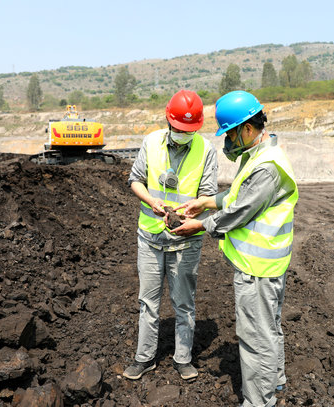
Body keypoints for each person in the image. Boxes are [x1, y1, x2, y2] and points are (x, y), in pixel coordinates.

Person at [171, 90, 298, 406]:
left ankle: (258, 401)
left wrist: (201, 224)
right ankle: (275, 381)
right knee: (269, 328)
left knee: (255, 337)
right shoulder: (259, 155)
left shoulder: (266, 167)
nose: (227, 141)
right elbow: (240, 194)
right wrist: (207, 201)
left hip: (258, 269)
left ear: (247, 129)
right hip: (266, 265)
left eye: (229, 134)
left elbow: (241, 211)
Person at [123, 90, 218, 381]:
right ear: (168, 120)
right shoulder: (151, 142)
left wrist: (192, 210)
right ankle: (144, 358)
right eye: (179, 129)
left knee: (184, 303)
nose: (183, 134)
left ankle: (183, 358)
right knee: (147, 302)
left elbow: (208, 194)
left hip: (186, 240)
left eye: (189, 130)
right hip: (150, 237)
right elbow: (135, 180)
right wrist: (151, 201)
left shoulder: (206, 150)